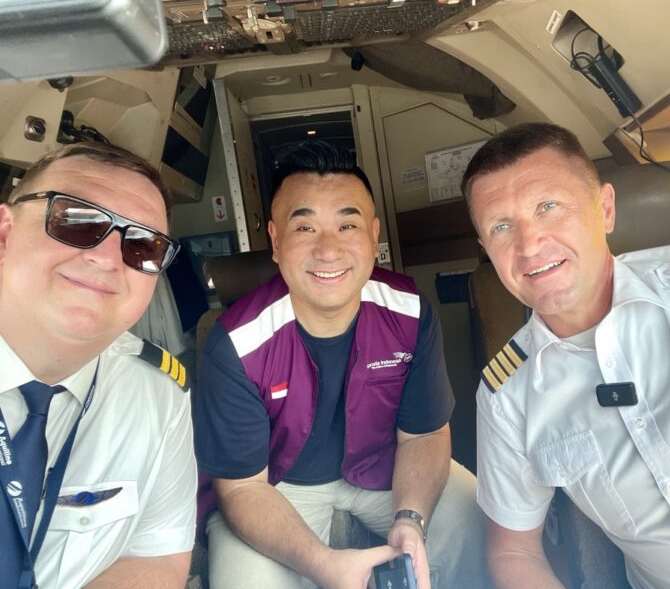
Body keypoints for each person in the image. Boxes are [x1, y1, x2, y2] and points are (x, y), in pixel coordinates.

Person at [461, 122, 670, 589]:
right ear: (486, 249)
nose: (529, 244)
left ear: (605, 209)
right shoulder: (506, 395)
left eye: (549, 207)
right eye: (501, 227)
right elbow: (514, 549)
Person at [192, 141, 488, 589]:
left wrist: (411, 518)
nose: (328, 250)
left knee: (475, 516)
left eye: (346, 225)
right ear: (275, 241)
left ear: (373, 236)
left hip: (386, 470)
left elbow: (425, 434)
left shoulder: (409, 312)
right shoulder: (234, 343)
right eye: (305, 228)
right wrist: (321, 563)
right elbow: (241, 487)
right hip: (275, 489)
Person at [0, 143, 197, 588]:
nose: (107, 258)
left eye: (142, 245)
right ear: (4, 234)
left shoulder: (158, 396)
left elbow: (158, 558)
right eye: (76, 221)